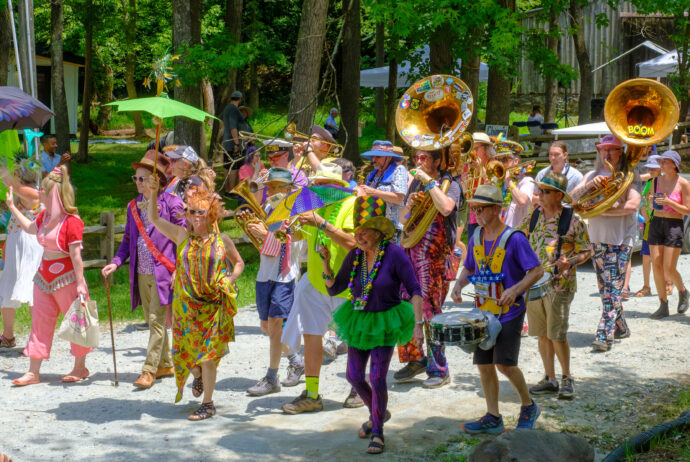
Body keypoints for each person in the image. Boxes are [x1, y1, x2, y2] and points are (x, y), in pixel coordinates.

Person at [321, 195, 424, 454]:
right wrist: (325, 262)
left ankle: (377, 430)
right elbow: (335, 289)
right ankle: (379, 412)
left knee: (378, 377)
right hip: (359, 320)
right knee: (353, 376)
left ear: (379, 232)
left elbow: (415, 290)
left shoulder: (395, 254)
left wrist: (418, 325)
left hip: (387, 321)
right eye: (357, 231)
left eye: (365, 231)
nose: (359, 236)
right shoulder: (355, 254)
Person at [144, 179, 244, 420]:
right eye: (191, 211)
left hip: (213, 307)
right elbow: (155, 220)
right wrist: (153, 194)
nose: (195, 216)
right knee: (189, 355)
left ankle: (208, 403)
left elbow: (239, 263)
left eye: (200, 212)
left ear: (211, 214)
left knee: (209, 356)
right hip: (186, 308)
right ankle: (197, 375)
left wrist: (230, 280)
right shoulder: (181, 235)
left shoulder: (223, 241)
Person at [451, 184, 544, 434]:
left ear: (496, 210)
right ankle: (493, 416)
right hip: (483, 310)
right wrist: (459, 284)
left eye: (480, 209)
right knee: (483, 364)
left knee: (505, 364)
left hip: (510, 311)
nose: (476, 214)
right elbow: (470, 267)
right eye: (474, 209)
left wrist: (515, 290)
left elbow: (537, 270)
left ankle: (529, 405)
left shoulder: (514, 238)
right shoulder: (477, 236)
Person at [101, 151, 185, 389]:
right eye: (135, 178)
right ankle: (166, 363)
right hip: (142, 272)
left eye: (142, 178)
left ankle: (149, 370)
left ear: (155, 179)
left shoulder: (172, 204)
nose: (137, 182)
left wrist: (179, 268)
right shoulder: (133, 207)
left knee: (156, 321)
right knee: (153, 321)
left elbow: (184, 239)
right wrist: (116, 262)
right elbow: (128, 239)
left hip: (164, 272)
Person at [280, 163, 357, 414]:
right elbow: (300, 235)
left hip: (346, 285)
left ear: (335, 186)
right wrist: (284, 227)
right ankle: (312, 394)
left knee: (355, 339)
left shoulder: (351, 205)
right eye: (313, 184)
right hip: (316, 281)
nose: (313, 188)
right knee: (311, 337)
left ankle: (358, 387)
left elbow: (353, 243)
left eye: (318, 184)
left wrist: (322, 223)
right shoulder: (314, 205)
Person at [6, 166, 92, 386]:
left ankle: (80, 367)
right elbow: (29, 228)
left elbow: (76, 256)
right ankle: (33, 371)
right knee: (39, 322)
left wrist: (81, 283)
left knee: (76, 320)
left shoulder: (72, 221)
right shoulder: (44, 216)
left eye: (43, 190)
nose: (39, 192)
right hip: (43, 278)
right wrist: (11, 208)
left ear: (54, 193)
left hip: (67, 279)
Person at [520, 171, 592, 400]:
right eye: (539, 190)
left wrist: (570, 262)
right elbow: (519, 239)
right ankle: (549, 378)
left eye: (545, 191)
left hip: (560, 286)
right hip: (534, 285)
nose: (539, 194)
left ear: (559, 195)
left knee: (557, 334)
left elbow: (587, 251)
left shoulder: (573, 220)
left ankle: (567, 377)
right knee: (542, 334)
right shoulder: (534, 215)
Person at [394, 149, 461, 389]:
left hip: (434, 255)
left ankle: (439, 369)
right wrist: (409, 205)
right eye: (416, 158)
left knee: (431, 308)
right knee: (404, 304)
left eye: (424, 158)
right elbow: (402, 219)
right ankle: (415, 359)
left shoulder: (450, 183)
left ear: (436, 160)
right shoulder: (415, 186)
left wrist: (428, 181)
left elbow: (445, 208)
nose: (418, 162)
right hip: (410, 249)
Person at [571, 134, 641, 352]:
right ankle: (621, 328)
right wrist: (590, 185)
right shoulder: (591, 174)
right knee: (606, 290)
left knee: (612, 289)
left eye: (612, 149)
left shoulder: (630, 175)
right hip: (597, 240)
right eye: (604, 149)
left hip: (622, 240)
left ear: (620, 152)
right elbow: (573, 199)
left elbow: (631, 206)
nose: (607, 154)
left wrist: (601, 210)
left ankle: (604, 334)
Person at [242, 168, 306, 395]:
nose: (271, 190)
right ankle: (296, 360)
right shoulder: (268, 208)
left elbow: (287, 242)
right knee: (268, 327)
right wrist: (252, 230)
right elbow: (264, 245)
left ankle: (271, 377)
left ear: (288, 189)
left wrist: (263, 234)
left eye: (276, 186)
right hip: (265, 273)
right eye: (270, 186)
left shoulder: (296, 211)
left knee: (276, 323)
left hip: (285, 275)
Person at [0, 159, 43, 348]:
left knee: (33, 291)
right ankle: (8, 336)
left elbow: (10, 183)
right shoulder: (21, 195)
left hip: (31, 247)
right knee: (8, 289)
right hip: (16, 246)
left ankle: (37, 338)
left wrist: (2, 168)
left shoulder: (34, 193)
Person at [647, 151, 690, 319]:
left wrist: (669, 202)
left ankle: (683, 291)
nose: (662, 164)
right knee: (656, 265)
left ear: (674, 164)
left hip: (674, 224)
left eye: (665, 162)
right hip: (656, 223)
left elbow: (687, 210)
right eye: (661, 161)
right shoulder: (655, 181)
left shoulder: (684, 184)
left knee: (668, 268)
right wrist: (651, 202)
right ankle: (663, 304)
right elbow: (650, 203)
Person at [356, 140, 408, 244]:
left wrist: (374, 192)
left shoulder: (399, 170)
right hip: (374, 228)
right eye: (373, 156)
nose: (374, 159)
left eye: (378, 156)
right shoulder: (373, 174)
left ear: (388, 157)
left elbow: (398, 198)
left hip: (392, 230)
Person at [634, 155, 662, 298]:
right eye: (649, 167)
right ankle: (646, 286)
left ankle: (667, 284)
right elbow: (642, 201)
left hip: (661, 224)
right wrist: (644, 212)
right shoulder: (649, 182)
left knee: (661, 257)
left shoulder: (664, 183)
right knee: (646, 255)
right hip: (649, 223)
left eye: (653, 167)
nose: (650, 170)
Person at [493, 140, 534, 228]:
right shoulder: (498, 181)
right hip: (499, 230)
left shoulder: (526, 181)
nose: (500, 164)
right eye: (497, 160)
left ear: (515, 161)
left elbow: (522, 201)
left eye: (504, 160)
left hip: (517, 232)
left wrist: (509, 181)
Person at [465, 132, 496, 238]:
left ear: (486, 148)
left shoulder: (494, 164)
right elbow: (466, 194)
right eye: (471, 149)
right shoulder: (468, 165)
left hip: (489, 216)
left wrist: (480, 169)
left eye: (476, 148)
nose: (473, 153)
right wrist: (465, 183)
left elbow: (493, 185)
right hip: (473, 216)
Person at [533, 142, 583, 206]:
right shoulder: (542, 174)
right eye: (550, 154)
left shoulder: (576, 176)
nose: (553, 158)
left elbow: (581, 199)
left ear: (565, 155)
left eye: (556, 154)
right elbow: (534, 196)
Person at [222, 90, 246, 192]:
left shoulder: (227, 108)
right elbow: (233, 128)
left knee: (227, 166)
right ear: (240, 99)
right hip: (232, 142)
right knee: (234, 167)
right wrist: (236, 143)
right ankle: (232, 191)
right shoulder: (233, 110)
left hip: (225, 141)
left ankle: (226, 190)